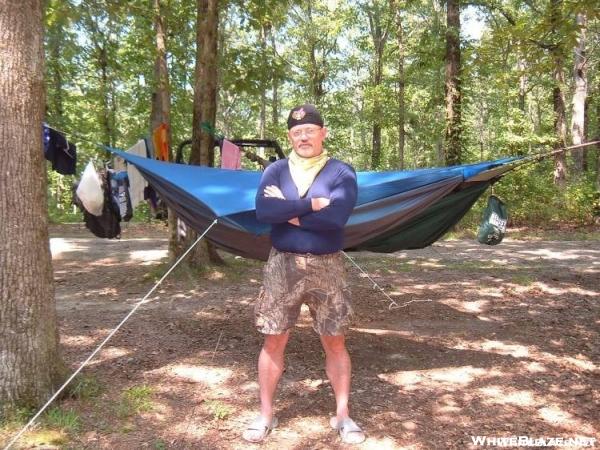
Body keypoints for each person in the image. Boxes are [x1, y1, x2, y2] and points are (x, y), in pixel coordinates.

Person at [243, 104, 365, 444]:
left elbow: (335, 220)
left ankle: (342, 416)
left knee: (335, 341)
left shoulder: (341, 172)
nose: (303, 136)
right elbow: (264, 210)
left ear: (323, 133)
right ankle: (265, 415)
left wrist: (288, 211)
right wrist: (311, 205)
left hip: (328, 265)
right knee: (273, 338)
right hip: (283, 264)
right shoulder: (275, 171)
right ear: (289, 136)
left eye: (309, 130)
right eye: (297, 132)